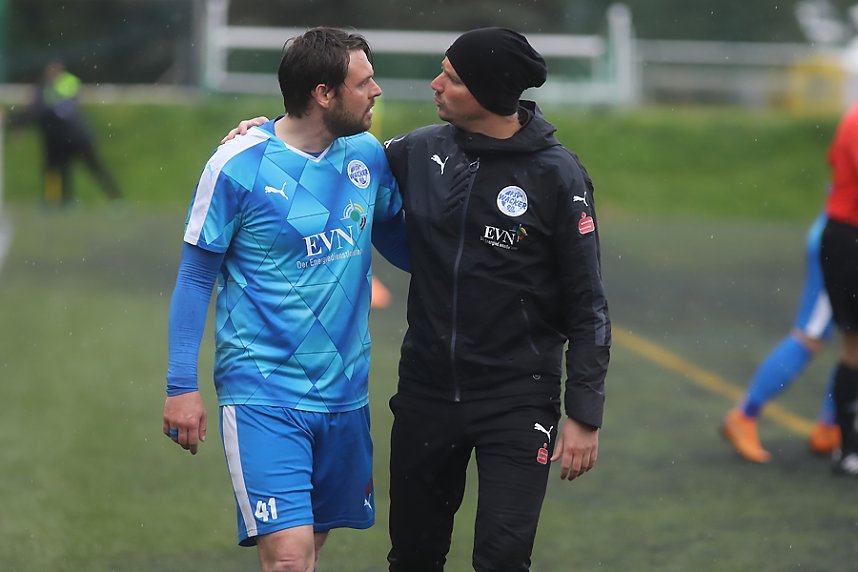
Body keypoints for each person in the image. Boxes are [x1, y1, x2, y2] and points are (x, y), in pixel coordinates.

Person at [226, 26, 611, 571]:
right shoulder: (418, 151)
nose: (435, 84)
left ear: (489, 92)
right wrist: (262, 131)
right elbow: (321, 142)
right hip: (426, 396)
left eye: (451, 78)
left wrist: (585, 414)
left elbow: (588, 304)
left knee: (503, 558)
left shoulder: (557, 175)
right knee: (413, 557)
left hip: (519, 397)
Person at [162, 28, 407, 572]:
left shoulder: (367, 155)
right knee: (290, 560)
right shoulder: (237, 165)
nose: (376, 91)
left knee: (308, 553)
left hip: (345, 393)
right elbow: (196, 277)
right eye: (364, 82)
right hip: (263, 391)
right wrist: (181, 385)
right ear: (324, 94)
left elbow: (402, 242)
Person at [722, 208, 841, 463]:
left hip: (841, 235)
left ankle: (831, 426)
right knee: (810, 336)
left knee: (850, 341)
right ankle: (745, 415)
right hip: (841, 240)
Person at [4, 60, 123, 205]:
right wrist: (16, 122)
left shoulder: (56, 90)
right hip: (63, 137)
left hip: (76, 137)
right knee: (59, 169)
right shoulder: (47, 91)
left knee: (92, 167)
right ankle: (60, 201)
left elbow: (37, 112)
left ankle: (115, 198)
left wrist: (12, 120)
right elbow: (35, 112)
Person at [820, 101, 858, 477]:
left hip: (843, 236)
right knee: (853, 348)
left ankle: (845, 445)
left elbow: (834, 160)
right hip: (850, 240)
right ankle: (847, 448)